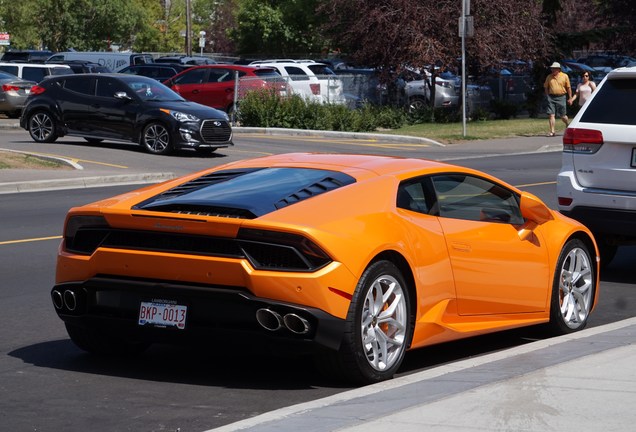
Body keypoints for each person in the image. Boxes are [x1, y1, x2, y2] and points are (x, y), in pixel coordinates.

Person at [543, 62, 572, 137]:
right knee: (551, 115)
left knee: (563, 115)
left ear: (558, 69)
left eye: (554, 69)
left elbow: (568, 88)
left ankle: (567, 123)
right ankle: (552, 131)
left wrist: (570, 98)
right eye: (552, 68)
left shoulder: (564, 76)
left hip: (561, 96)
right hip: (551, 97)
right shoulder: (549, 77)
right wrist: (547, 96)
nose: (552, 70)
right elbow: (546, 87)